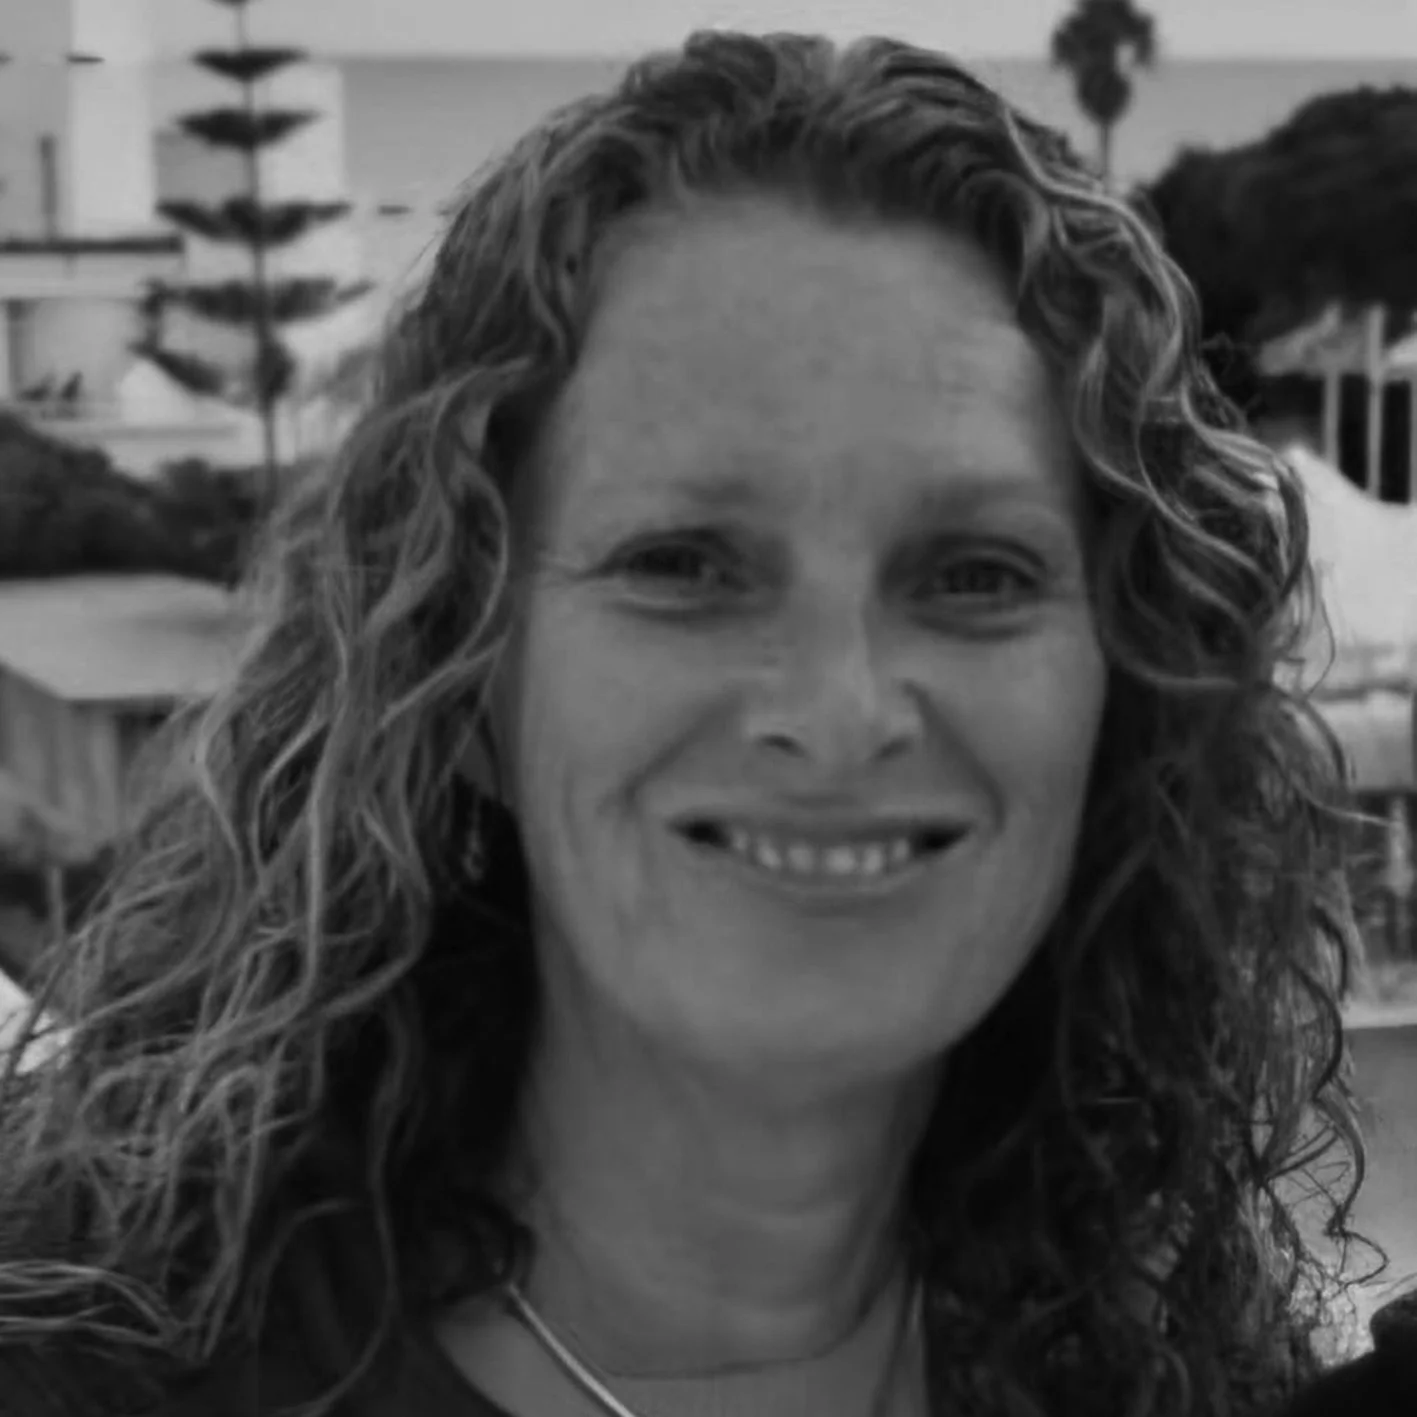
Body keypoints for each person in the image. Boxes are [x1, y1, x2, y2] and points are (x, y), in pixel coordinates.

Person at [0, 28, 1402, 1417]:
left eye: (975, 575)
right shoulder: (96, 1377)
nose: (839, 713)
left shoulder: (1176, 1377)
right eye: (683, 566)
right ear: (464, 678)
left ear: (1121, 694)